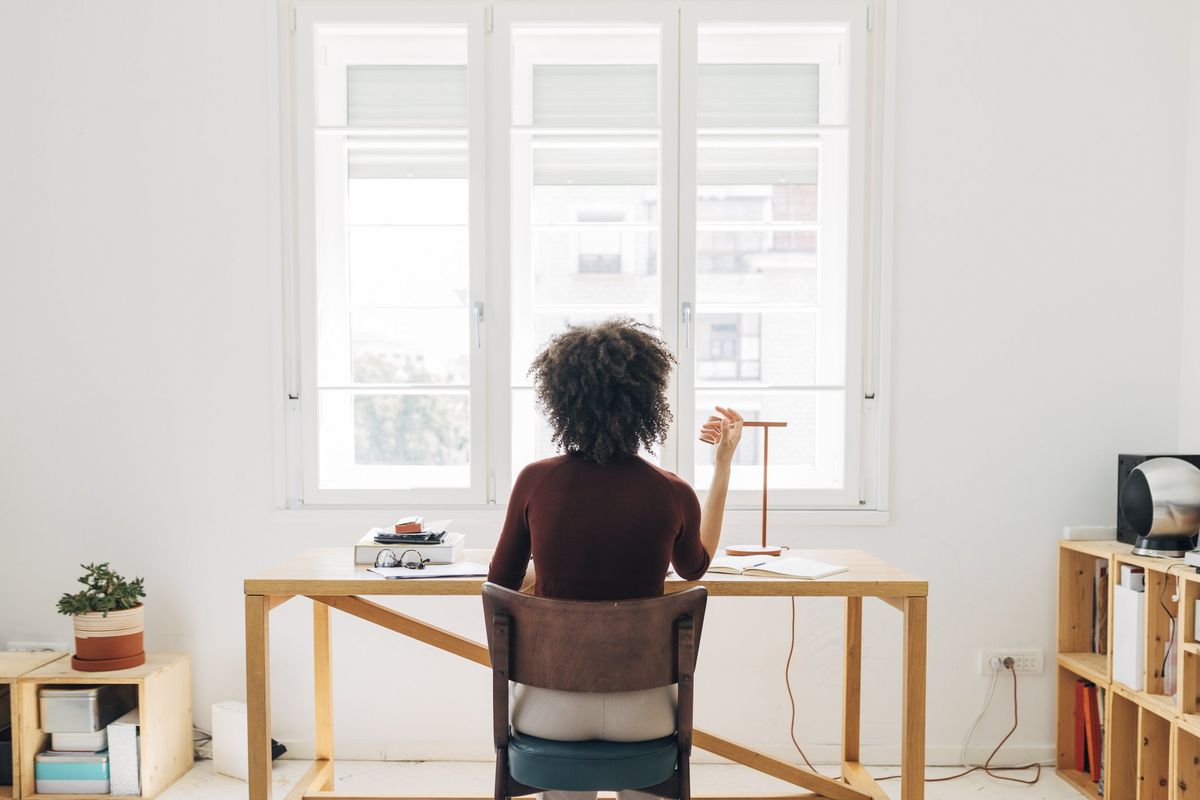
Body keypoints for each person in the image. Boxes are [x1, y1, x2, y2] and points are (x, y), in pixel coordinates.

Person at [487, 317, 743, 800]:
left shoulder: (535, 481)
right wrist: (722, 466)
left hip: (551, 708)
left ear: (561, 399)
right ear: (647, 399)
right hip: (643, 711)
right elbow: (695, 568)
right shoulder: (672, 491)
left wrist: (551, 568)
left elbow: (500, 585)